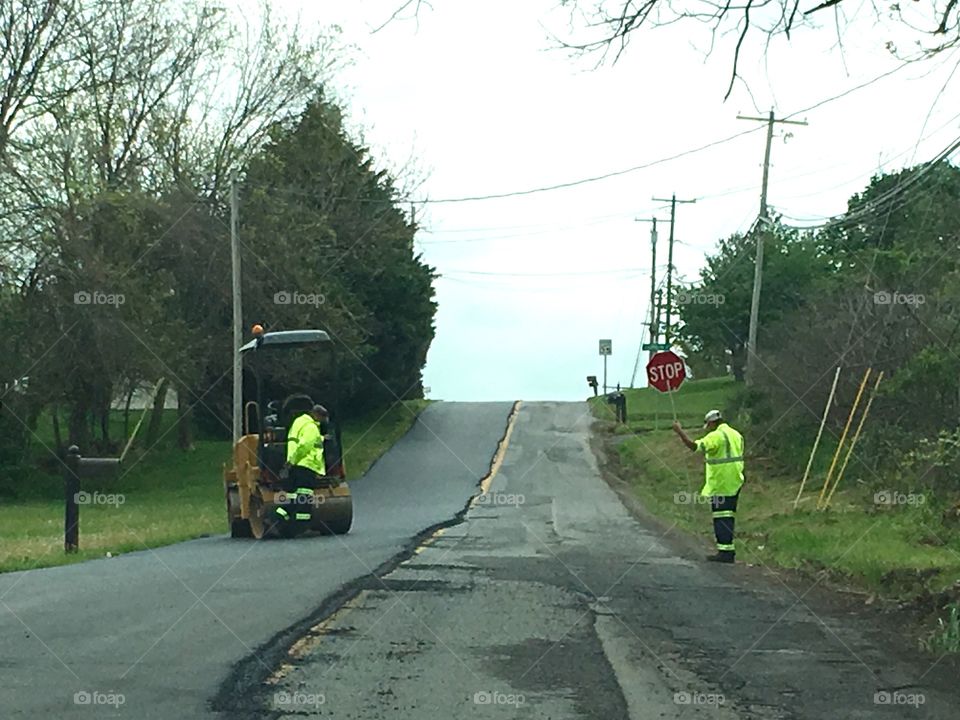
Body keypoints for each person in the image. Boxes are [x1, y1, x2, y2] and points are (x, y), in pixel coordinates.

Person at [672, 409, 745, 564]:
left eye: (708, 425)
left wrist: (680, 432)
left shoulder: (716, 436)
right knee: (728, 516)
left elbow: (694, 446)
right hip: (735, 480)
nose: (708, 428)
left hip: (721, 482)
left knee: (721, 518)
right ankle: (728, 550)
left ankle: (725, 553)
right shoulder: (736, 434)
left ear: (712, 422)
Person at [275, 404, 329, 531]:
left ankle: (279, 515)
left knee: (294, 496)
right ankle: (299, 524)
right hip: (306, 465)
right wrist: (292, 461)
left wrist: (290, 463)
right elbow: (305, 445)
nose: (323, 421)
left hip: (296, 465)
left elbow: (306, 440)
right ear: (316, 415)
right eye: (322, 418)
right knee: (305, 497)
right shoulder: (311, 427)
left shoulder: (299, 422)